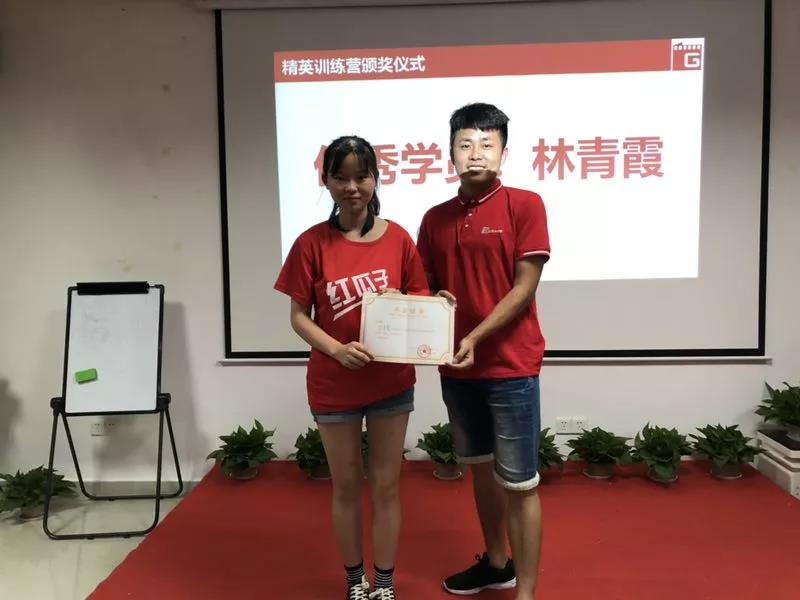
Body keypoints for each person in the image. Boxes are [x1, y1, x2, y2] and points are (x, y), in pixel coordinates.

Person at [274, 135, 428, 600]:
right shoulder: (310, 244)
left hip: (390, 383)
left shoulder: (399, 239)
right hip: (333, 385)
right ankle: (354, 580)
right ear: (326, 181)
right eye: (340, 177)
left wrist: (417, 306)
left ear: (376, 179)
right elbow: (299, 316)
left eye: (361, 176)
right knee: (345, 486)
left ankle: (384, 583)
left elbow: (419, 299)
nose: (352, 187)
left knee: (385, 487)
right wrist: (337, 350)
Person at [417, 103, 550, 600]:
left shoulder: (525, 205)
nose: (475, 153)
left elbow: (523, 289)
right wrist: (429, 304)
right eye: (465, 144)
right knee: (480, 471)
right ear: (451, 153)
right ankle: (497, 563)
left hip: (511, 367)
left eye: (486, 144)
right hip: (457, 369)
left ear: (504, 153)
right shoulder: (434, 219)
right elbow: (424, 284)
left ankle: (527, 593)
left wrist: (473, 337)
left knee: (519, 482)